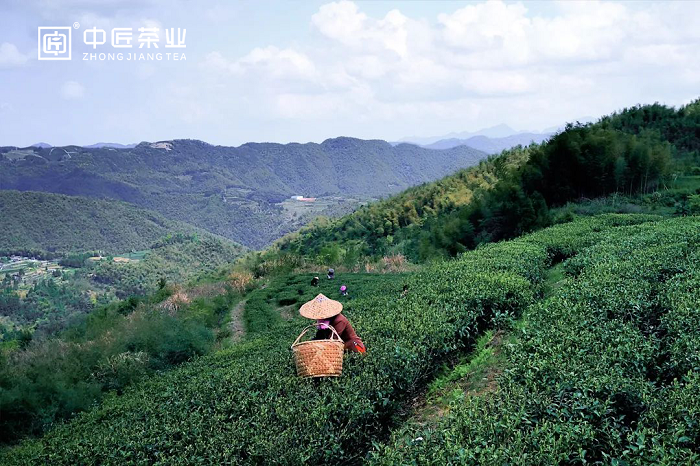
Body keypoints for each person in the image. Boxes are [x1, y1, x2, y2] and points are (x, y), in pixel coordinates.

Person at [299, 293, 366, 353]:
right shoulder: (324, 321)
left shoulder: (339, 320)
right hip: (342, 347)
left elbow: (333, 340)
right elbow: (320, 336)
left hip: (354, 347)